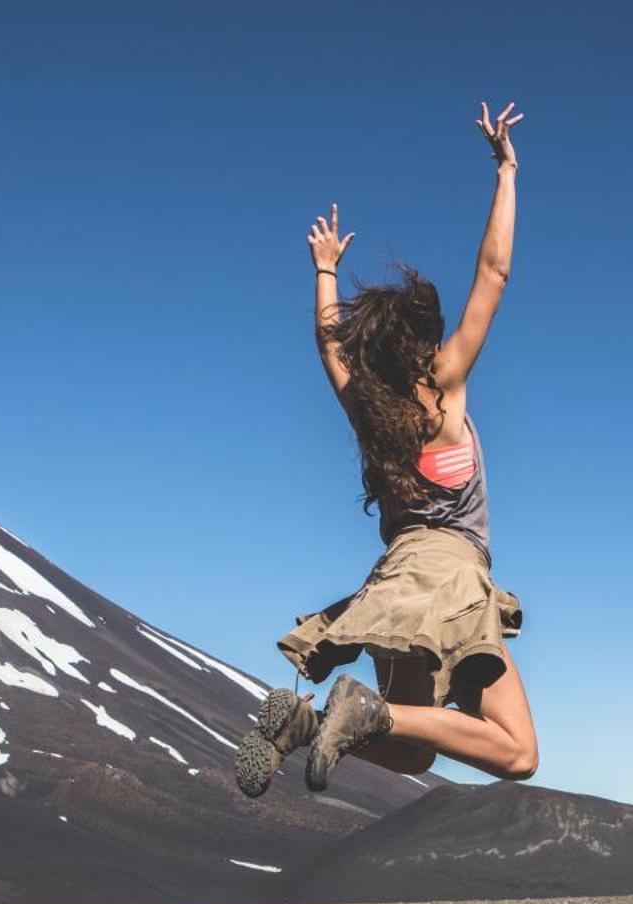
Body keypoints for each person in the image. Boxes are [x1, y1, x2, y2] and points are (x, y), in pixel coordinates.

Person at [235, 100, 538, 798]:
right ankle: (365, 710)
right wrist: (507, 171)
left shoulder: (372, 414)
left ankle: (308, 729)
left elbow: (327, 347)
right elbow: (492, 275)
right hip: (452, 579)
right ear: (423, 344)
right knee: (519, 752)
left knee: (407, 751)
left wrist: (323, 270)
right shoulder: (446, 384)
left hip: (393, 584)